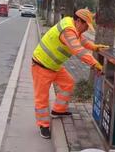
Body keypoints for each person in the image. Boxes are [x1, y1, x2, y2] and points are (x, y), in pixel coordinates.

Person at [31, 8, 109, 139]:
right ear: (78, 21)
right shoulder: (68, 30)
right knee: (42, 97)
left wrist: (94, 47)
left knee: (68, 83)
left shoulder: (72, 26)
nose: (85, 29)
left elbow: (82, 41)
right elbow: (78, 50)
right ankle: (43, 125)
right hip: (42, 65)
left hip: (54, 66)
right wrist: (95, 64)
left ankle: (58, 110)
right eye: (85, 26)